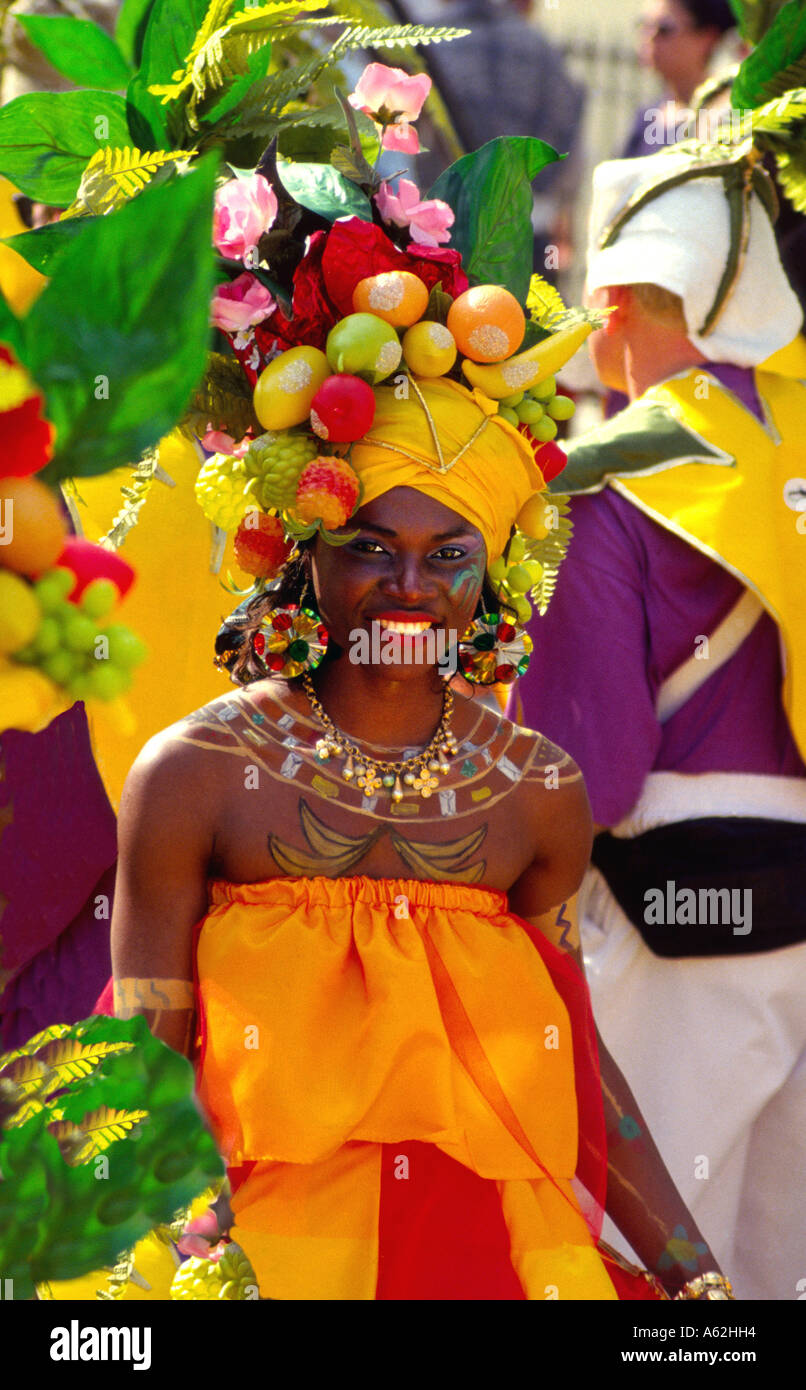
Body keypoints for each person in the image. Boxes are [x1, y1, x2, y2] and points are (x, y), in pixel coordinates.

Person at [107, 368, 739, 1300]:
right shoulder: (195, 772)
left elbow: (573, 1047)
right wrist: (168, 1257)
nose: (412, 588)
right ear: (303, 552)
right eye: (372, 547)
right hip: (260, 1256)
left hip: (491, 1256)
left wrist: (695, 1279)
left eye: (450, 555)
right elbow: (143, 1052)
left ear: (493, 569)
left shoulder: (534, 789)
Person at [509, 143, 806, 1300]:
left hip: (669, 910)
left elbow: (596, 767)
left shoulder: (603, 475)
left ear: (624, 299)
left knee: (651, 1269)